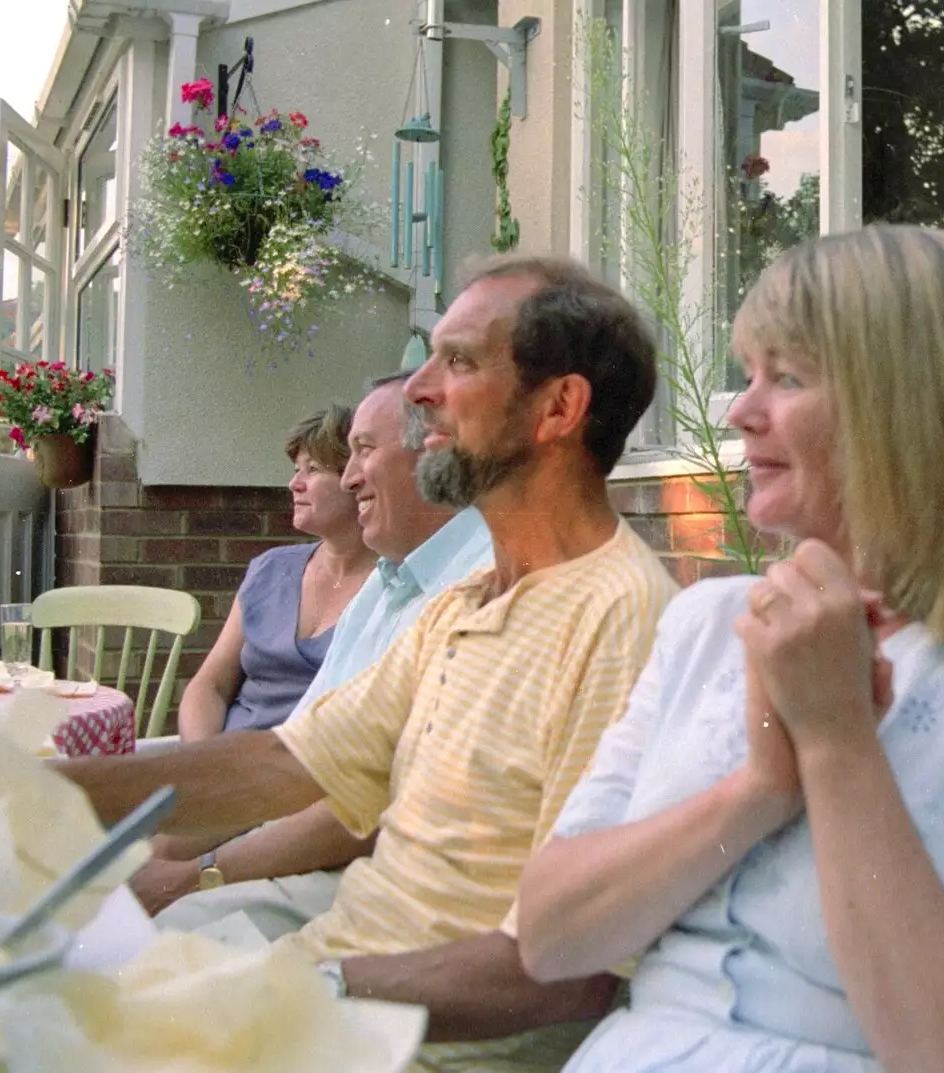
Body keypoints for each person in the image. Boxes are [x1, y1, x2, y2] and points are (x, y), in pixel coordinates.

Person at [515, 225, 944, 1073]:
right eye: (750, 374)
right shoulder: (707, 623)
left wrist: (836, 740)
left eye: (787, 377)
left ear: (912, 411)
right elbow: (552, 936)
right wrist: (759, 789)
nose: (740, 410)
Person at [56, 254, 680, 1072]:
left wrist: (298, 991)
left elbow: (571, 969)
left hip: (415, 1043)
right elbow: (284, 762)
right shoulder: (465, 601)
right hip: (329, 990)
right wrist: (33, 789)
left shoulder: (621, 619)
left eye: (457, 361)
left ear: (559, 406)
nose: (420, 389)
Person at [131, 372, 493, 931]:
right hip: (280, 819)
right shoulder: (392, 582)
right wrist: (177, 822)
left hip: (377, 872)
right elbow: (292, 753)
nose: (348, 480)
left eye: (361, 453)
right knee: (93, 888)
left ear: (436, 455)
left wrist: (198, 872)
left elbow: (369, 810)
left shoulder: (478, 585)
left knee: (150, 939)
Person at [176, 404, 373, 741]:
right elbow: (209, 685)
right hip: (224, 760)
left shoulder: (394, 586)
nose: (294, 484)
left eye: (313, 469)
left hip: (310, 780)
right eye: (297, 469)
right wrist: (202, 761)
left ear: (355, 479)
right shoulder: (270, 569)